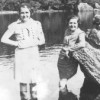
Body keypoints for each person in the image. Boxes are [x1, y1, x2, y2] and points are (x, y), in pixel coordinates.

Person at [1, 3, 45, 100]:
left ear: (30, 12)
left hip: (33, 55)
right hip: (21, 56)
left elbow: (42, 40)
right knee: (24, 87)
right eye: (22, 13)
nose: (24, 15)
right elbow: (3, 39)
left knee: (34, 87)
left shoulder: (37, 24)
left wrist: (31, 43)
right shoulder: (14, 25)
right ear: (19, 14)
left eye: (27, 12)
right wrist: (17, 43)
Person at [57, 15, 85, 100]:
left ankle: (64, 95)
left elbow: (82, 44)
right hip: (61, 59)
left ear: (77, 24)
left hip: (70, 61)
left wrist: (69, 49)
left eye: (74, 23)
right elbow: (65, 44)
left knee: (63, 81)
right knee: (62, 80)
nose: (72, 25)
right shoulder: (67, 31)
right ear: (68, 23)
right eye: (70, 23)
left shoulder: (80, 33)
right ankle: (63, 95)